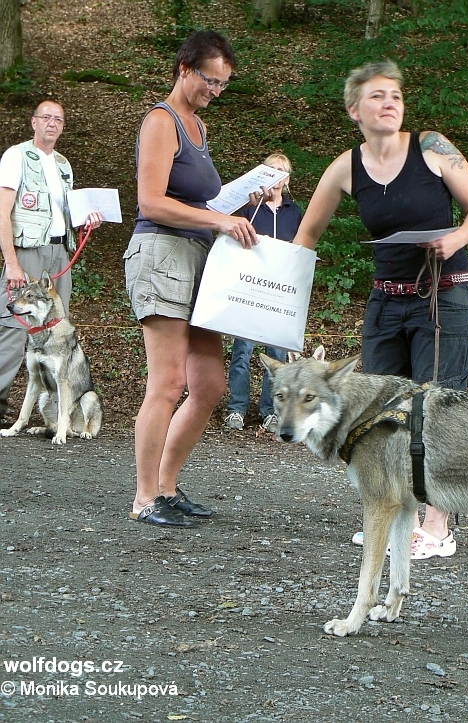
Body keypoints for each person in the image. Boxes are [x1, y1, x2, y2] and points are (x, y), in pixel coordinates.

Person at [293, 60, 468, 559]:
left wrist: (455, 239)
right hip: (386, 302)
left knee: (439, 408)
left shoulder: (431, 148)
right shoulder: (346, 166)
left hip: (441, 296)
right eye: (378, 96)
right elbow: (306, 236)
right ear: (353, 109)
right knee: (378, 412)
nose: (390, 104)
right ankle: (396, 518)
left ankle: (438, 528)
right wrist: (278, 294)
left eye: (396, 97)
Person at [124, 30, 268, 527]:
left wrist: (239, 205)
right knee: (166, 383)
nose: (216, 90)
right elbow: (151, 201)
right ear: (184, 68)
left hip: (198, 259)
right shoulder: (162, 121)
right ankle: (145, 499)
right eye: (210, 80)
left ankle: (166, 485)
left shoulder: (199, 127)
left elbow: (200, 203)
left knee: (208, 385)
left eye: (224, 84)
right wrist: (218, 220)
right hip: (161, 253)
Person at [0, 100, 102, 420]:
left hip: (59, 253)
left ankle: (53, 410)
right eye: (46, 117)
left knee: (56, 329)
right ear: (33, 122)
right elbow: (3, 213)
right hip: (28, 251)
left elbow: (63, 213)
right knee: (16, 327)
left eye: (58, 119)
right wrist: (13, 263)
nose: (52, 123)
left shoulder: (63, 164)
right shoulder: (16, 156)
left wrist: (87, 222)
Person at [224, 152, 303, 433]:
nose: (276, 174)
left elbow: (300, 249)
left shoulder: (294, 212)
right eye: (270, 169)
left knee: (276, 356)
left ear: (287, 178)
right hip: (249, 289)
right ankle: (237, 409)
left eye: (281, 170)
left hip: (278, 293)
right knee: (242, 352)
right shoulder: (249, 208)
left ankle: (270, 411)